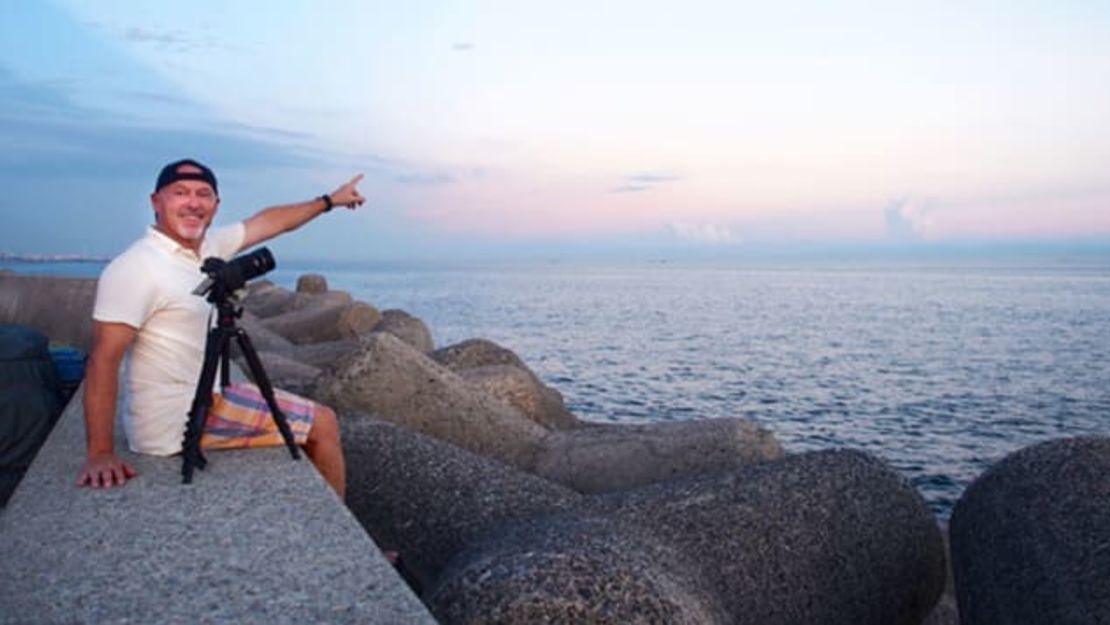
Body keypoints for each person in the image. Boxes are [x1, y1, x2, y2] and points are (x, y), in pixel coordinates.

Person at [76, 158, 364, 499]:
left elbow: (269, 222)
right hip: (174, 421)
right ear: (156, 202)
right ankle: (332, 542)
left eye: (203, 194)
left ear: (216, 205)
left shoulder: (206, 248)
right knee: (324, 422)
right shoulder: (136, 268)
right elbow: (103, 362)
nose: (193, 202)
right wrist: (100, 454)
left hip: (207, 395)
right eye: (180, 193)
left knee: (307, 414)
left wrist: (329, 201)